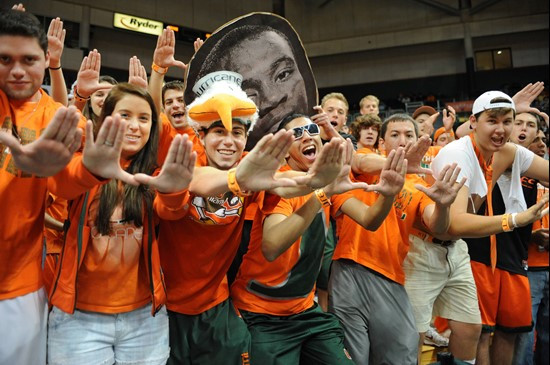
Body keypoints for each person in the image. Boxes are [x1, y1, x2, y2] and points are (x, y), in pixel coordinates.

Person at [146, 74, 341, 365]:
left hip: (216, 308)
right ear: (201, 136)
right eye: (219, 132)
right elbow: (195, 180)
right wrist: (238, 179)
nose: (228, 141)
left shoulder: (250, 163)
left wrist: (316, 182)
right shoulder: (188, 159)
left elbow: (284, 181)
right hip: (161, 308)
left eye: (236, 133)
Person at [231, 114, 406, 364]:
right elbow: (272, 246)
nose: (307, 136)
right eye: (297, 134)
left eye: (312, 129)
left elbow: (369, 220)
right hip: (261, 313)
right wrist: (321, 195)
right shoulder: (280, 183)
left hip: (304, 310)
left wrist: (388, 194)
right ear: (286, 153)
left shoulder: (328, 182)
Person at [47, 83, 195, 365]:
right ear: (105, 120)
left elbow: (171, 211)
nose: (134, 126)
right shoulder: (83, 164)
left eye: (144, 118)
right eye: (124, 115)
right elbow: (63, 184)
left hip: (144, 319)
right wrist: (92, 170)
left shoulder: (154, 173)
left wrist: (175, 191)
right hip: (78, 318)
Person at [329, 113, 466, 365]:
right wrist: (396, 165)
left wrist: (444, 205)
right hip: (349, 268)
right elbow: (361, 161)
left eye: (409, 135)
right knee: (352, 358)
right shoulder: (363, 167)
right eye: (394, 135)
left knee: (402, 354)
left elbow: (436, 224)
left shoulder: (418, 183)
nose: (402, 140)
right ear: (381, 143)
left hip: (391, 274)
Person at [431, 91, 550, 365]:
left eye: (507, 121)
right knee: (476, 331)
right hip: (444, 250)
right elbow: (456, 223)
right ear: (473, 122)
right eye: (492, 121)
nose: (501, 129)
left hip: (493, 253)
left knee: (499, 330)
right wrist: (514, 220)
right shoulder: (458, 154)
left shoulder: (506, 152)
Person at [0, 8, 83, 364]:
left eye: (28, 59)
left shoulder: (55, 116)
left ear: (45, 59)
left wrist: (89, 169)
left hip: (19, 284)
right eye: (4, 59)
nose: (17, 70)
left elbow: (68, 186)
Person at [186, 13, 317, 150]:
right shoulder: (219, 168)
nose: (272, 98)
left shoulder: (331, 151)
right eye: (248, 94)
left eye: (283, 74)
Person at [513, 122, 549, 365]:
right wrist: (531, 237)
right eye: (535, 139)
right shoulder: (514, 176)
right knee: (525, 334)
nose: (541, 144)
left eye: (544, 140)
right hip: (528, 268)